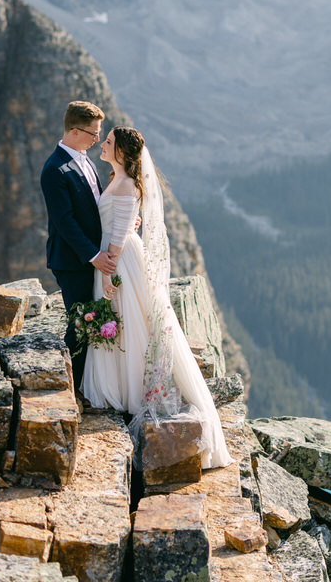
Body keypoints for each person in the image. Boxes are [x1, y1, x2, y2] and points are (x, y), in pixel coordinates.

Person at [80, 125, 231, 469]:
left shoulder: (127, 184)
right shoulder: (119, 179)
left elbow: (118, 233)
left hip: (118, 261)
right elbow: (122, 222)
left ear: (121, 152)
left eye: (108, 142)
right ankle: (120, 387)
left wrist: (108, 271)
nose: (102, 145)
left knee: (130, 321)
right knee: (125, 322)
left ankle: (128, 391)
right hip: (115, 255)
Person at [40, 100, 115, 387]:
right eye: (93, 134)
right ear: (74, 131)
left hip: (91, 256)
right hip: (73, 261)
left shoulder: (84, 159)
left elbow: (96, 206)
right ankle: (71, 388)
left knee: (91, 320)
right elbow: (65, 222)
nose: (97, 140)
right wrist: (93, 255)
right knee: (81, 323)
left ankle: (87, 384)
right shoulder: (54, 169)